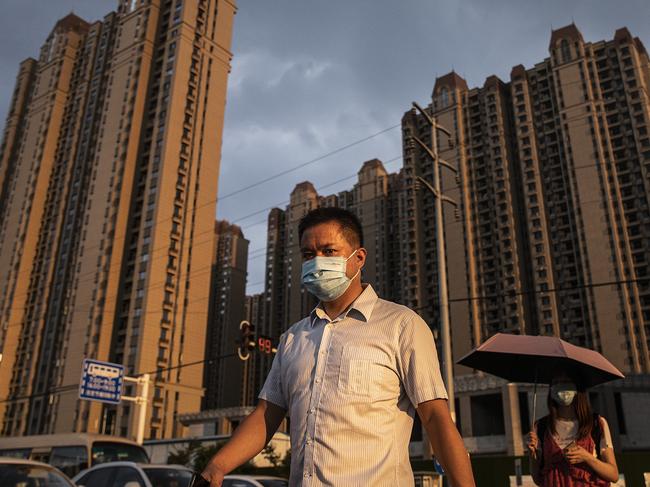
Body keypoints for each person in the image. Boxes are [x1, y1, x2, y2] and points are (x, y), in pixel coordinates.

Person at [200, 207, 475, 486]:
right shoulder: (294, 338)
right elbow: (266, 415)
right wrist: (217, 466)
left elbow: (435, 417)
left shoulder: (401, 325)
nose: (317, 261)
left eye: (329, 251)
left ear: (359, 258)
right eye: (308, 254)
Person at [527, 372, 619, 486]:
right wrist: (532, 457)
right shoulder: (541, 427)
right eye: (556, 382)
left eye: (566, 382)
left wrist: (587, 457)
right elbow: (537, 479)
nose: (560, 386)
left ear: (577, 386)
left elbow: (613, 475)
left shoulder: (596, 423)